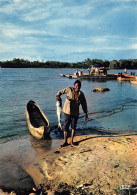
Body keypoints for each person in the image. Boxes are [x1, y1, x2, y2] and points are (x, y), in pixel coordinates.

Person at [56, 80, 88, 147]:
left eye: (79, 86)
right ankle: (65, 141)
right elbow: (60, 92)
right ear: (74, 86)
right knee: (66, 127)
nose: (77, 87)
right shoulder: (69, 90)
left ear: (80, 87)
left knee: (73, 127)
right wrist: (58, 96)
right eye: (76, 86)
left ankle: (71, 141)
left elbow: (84, 105)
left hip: (75, 113)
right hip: (67, 111)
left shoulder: (81, 94)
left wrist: (86, 114)